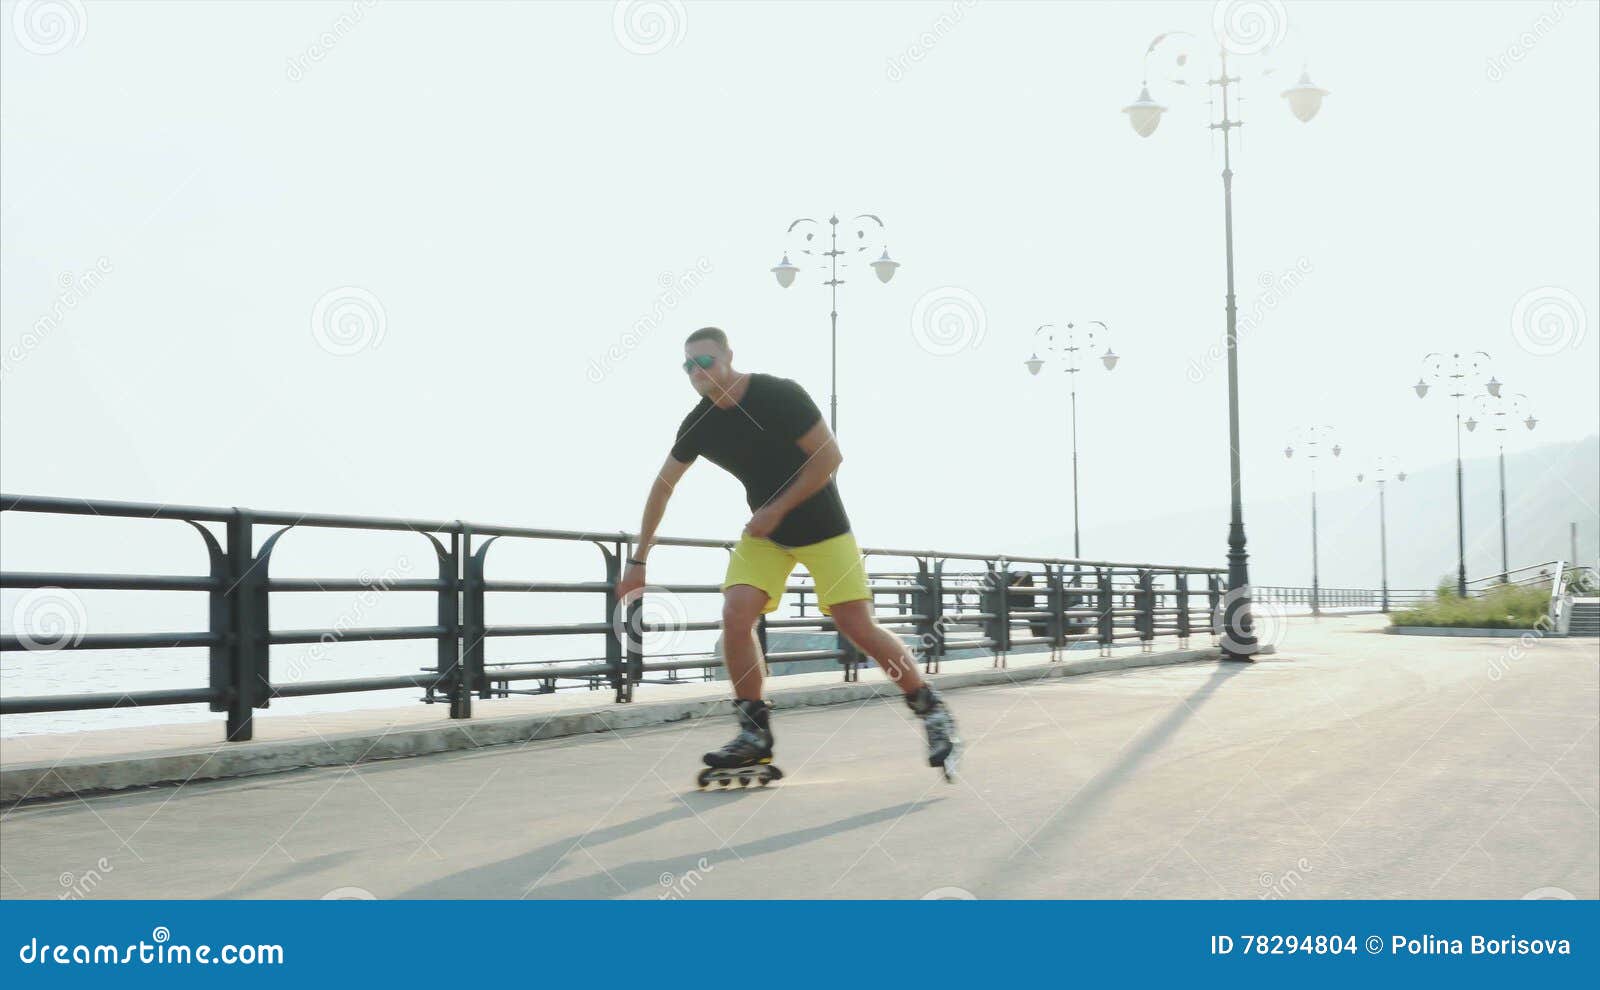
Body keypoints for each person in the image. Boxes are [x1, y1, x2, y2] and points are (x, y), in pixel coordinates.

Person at [615, 327, 961, 778]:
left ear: (728, 357)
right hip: (766, 536)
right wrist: (638, 560)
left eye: (705, 362)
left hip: (823, 528)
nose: (697, 373)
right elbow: (663, 486)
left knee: (855, 623)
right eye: (688, 366)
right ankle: (754, 733)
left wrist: (776, 510)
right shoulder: (699, 421)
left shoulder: (779, 395)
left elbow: (829, 458)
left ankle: (930, 709)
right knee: (736, 615)